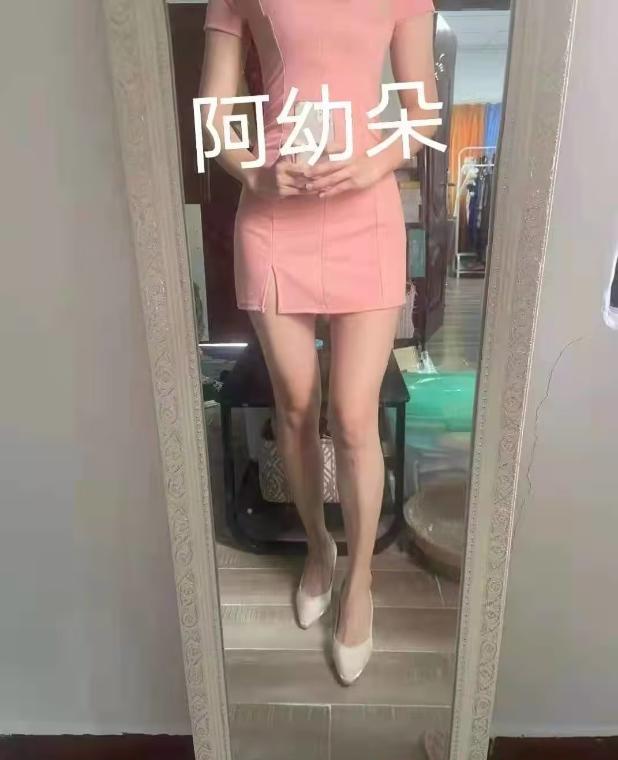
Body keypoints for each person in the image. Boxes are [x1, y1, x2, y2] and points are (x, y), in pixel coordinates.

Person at [199, 0, 438, 685]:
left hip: (365, 208)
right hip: (277, 212)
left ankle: (360, 580)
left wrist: (373, 165)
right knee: (297, 408)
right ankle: (318, 549)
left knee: (355, 417)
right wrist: (255, 172)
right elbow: (213, 113)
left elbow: (421, 112)